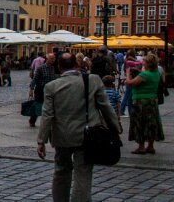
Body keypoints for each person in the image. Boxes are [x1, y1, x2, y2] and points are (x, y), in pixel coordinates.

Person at [37, 52, 121, 202]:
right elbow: (106, 107)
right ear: (76, 65)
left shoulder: (51, 86)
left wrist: (41, 140)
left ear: (59, 67)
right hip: (87, 135)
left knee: (61, 172)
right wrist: (115, 128)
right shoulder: (93, 80)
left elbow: (47, 115)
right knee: (83, 174)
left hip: (62, 136)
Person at [127, 52, 163, 154]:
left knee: (140, 123)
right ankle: (150, 146)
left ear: (148, 63)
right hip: (152, 101)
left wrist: (127, 73)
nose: (143, 62)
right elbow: (145, 74)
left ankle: (141, 147)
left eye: (145, 61)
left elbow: (130, 83)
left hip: (140, 102)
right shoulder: (156, 73)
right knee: (151, 124)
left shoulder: (144, 75)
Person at [29, 53, 57, 127]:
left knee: (49, 107)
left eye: (54, 58)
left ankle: (47, 122)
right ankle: (32, 120)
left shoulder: (53, 68)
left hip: (50, 89)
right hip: (40, 89)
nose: (53, 60)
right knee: (37, 105)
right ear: (47, 59)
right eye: (51, 58)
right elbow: (35, 79)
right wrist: (31, 89)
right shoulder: (41, 68)